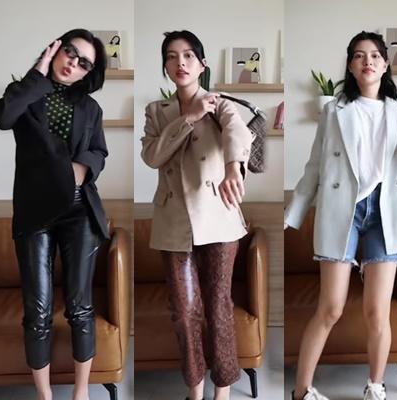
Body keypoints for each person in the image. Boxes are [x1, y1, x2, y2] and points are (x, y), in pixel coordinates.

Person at [286, 31, 397, 400]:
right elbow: (315, 165)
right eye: (358, 55)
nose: (367, 61)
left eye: (375, 55)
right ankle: (301, 391)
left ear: (385, 65)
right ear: (351, 66)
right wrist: (293, 214)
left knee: (377, 312)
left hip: (388, 212)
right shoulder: (334, 110)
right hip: (345, 211)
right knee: (330, 308)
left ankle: (375, 386)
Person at [0, 28, 108, 400]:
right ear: (55, 49)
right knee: (37, 310)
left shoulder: (90, 108)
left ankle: (81, 391)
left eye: (84, 63)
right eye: (70, 52)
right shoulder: (25, 94)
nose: (74, 63)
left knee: (79, 307)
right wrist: (37, 73)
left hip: (79, 209)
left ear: (88, 73)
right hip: (34, 210)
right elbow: (1, 117)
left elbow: (99, 152)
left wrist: (80, 170)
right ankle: (44, 395)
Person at [141, 30, 253, 400]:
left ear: (202, 64)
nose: (181, 62)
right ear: (165, 66)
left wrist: (234, 168)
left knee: (218, 306)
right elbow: (152, 156)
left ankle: (223, 391)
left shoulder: (221, 104)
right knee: (184, 311)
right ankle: (195, 390)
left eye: (189, 55)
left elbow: (238, 133)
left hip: (218, 217)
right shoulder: (156, 111)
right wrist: (188, 118)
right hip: (173, 222)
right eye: (172, 56)